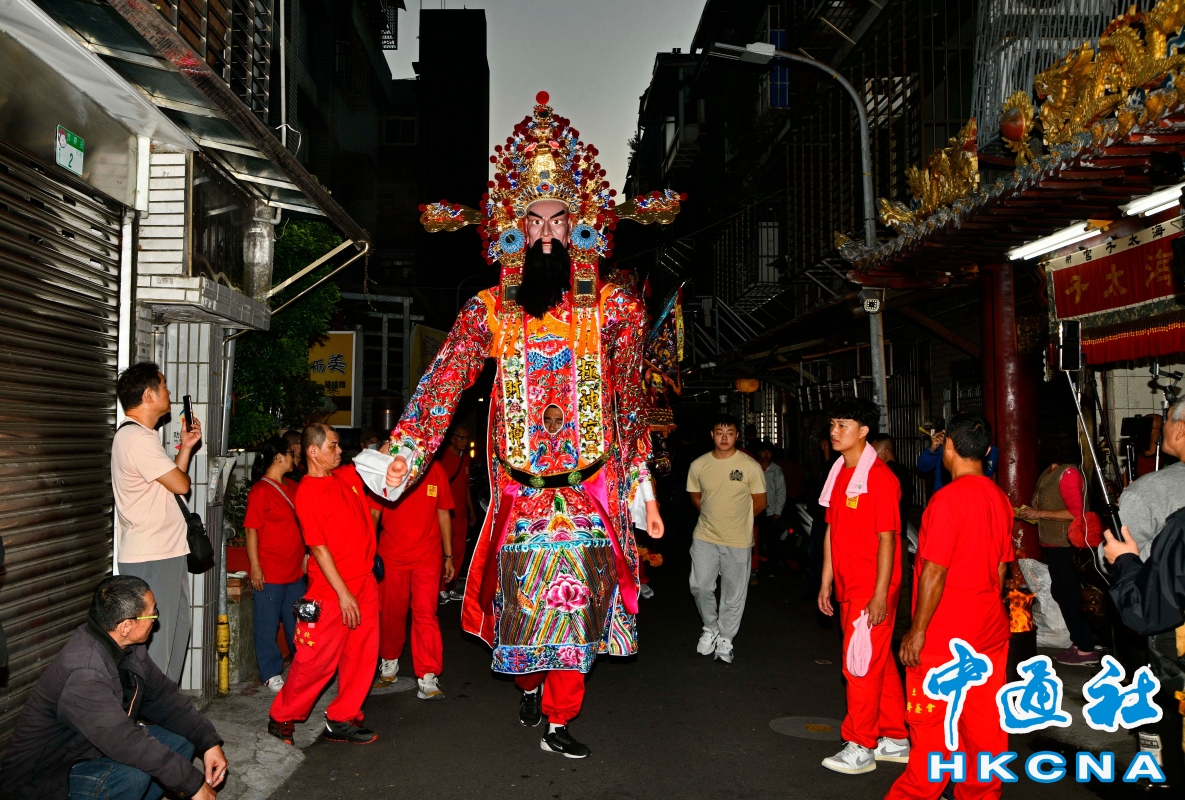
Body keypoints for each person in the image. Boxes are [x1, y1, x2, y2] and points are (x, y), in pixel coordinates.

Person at [373, 93, 667, 760]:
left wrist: (641, 487)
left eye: (559, 219)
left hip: (588, 492)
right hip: (520, 495)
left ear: (582, 226)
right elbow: (444, 379)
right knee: (525, 612)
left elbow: (629, 399)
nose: (546, 234)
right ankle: (531, 687)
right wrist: (404, 450)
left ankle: (560, 719)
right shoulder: (488, 311)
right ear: (511, 229)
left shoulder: (616, 310)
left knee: (577, 610)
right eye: (533, 221)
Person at [1, 575, 227, 800]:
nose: (156, 619)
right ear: (126, 626)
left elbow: (164, 697)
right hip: (45, 780)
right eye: (152, 613)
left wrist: (208, 742)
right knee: (131, 776)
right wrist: (193, 784)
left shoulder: (127, 647)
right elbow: (125, 740)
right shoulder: (84, 673)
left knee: (180, 738)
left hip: (89, 753)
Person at [887, 413, 1014, 799]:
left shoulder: (946, 500)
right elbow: (1001, 567)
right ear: (987, 452)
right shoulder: (999, 498)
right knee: (984, 725)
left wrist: (917, 631)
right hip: (989, 630)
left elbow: (934, 571)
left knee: (930, 730)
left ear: (949, 447)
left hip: (945, 636)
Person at [268, 424, 380, 746]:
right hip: (331, 592)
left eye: (339, 444)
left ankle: (343, 718)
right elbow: (318, 548)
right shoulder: (308, 493)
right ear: (313, 451)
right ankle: (282, 716)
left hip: (364, 582)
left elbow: (380, 458)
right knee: (314, 661)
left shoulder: (345, 476)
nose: (339, 450)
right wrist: (344, 594)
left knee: (362, 656)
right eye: (333, 445)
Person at [817, 396, 907, 775]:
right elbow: (832, 529)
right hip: (848, 584)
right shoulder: (840, 470)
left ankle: (861, 745)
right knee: (876, 662)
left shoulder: (879, 478)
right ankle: (896, 738)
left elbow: (889, 539)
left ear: (864, 431)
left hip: (871, 588)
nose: (835, 432)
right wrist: (825, 581)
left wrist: (880, 595)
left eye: (844, 425)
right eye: (833, 424)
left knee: (859, 666)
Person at [111, 362, 202, 683]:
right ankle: (148, 710)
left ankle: (163, 706)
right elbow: (181, 484)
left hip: (163, 552)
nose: (169, 392)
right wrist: (181, 463)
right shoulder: (137, 438)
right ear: (149, 395)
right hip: (153, 556)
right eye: (163, 386)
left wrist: (185, 447)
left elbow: (171, 483)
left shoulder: (142, 436)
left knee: (175, 634)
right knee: (157, 648)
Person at [371, 458, 455, 699]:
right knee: (391, 612)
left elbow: (443, 513)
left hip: (427, 557)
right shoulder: (386, 466)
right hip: (391, 556)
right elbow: (373, 513)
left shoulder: (435, 470)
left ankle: (428, 673)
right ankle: (389, 660)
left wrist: (448, 555)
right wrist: (368, 551)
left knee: (426, 613)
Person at [686, 414, 767, 663]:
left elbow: (760, 502)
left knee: (733, 593)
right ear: (712, 435)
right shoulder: (699, 464)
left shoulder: (750, 466)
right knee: (700, 586)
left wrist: (739, 520)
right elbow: (695, 495)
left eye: (729, 433)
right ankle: (710, 628)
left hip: (738, 539)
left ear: (737, 436)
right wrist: (712, 515)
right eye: (719, 432)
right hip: (705, 535)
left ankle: (726, 638)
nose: (724, 437)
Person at [1015, 434, 1097, 666]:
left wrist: (1039, 514)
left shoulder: (1068, 473)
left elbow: (1076, 512)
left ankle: (1086, 647)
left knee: (1069, 594)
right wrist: (1029, 513)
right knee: (1062, 593)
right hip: (1053, 544)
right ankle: (1079, 642)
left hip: (1066, 544)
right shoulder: (1049, 472)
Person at [244, 436, 307, 692]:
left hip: (295, 572)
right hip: (270, 571)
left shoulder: (292, 486)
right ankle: (270, 673)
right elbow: (251, 531)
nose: (294, 458)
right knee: (267, 624)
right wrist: (256, 568)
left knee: (299, 623)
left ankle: (303, 667)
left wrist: (305, 555)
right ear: (279, 457)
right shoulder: (260, 491)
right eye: (291, 454)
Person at [1112, 398, 1185, 560]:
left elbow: (1115, 554)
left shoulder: (1154, 482)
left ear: (1180, 429)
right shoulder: (1137, 460)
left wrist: (1134, 497)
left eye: (1167, 420)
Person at [437, 423, 475, 603]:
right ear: (452, 439)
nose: (465, 441)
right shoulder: (443, 457)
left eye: (467, 438)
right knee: (445, 550)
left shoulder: (465, 459)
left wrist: (471, 510)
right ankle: (441, 588)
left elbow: (466, 486)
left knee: (460, 549)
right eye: (462, 437)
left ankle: (450, 587)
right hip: (446, 513)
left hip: (460, 513)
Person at [917, 426, 998, 492]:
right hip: (945, 495)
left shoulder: (987, 449)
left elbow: (986, 473)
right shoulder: (945, 448)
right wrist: (932, 449)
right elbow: (922, 467)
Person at [755, 442, 785, 578]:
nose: (766, 455)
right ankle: (754, 566)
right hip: (755, 510)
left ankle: (771, 567)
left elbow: (781, 491)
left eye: (768, 452)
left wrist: (778, 511)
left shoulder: (776, 470)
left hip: (769, 510)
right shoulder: (753, 467)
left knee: (770, 540)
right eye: (763, 451)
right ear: (759, 453)